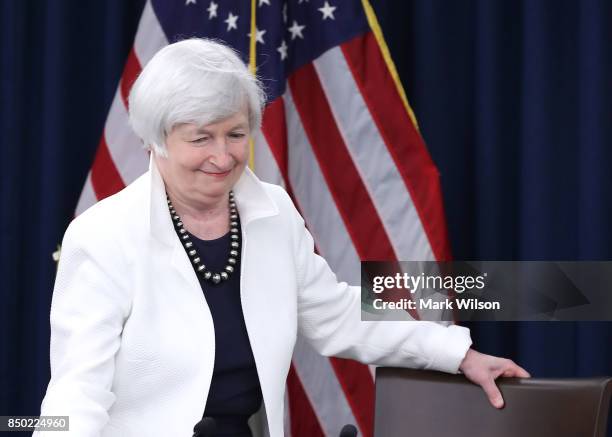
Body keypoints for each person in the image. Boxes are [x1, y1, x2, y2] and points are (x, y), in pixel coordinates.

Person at [35, 38, 529, 437]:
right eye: (200, 137)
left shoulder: (272, 212)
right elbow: (79, 391)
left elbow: (337, 316)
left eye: (235, 133)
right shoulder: (103, 235)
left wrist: (455, 353)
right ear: (156, 141)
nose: (224, 155)